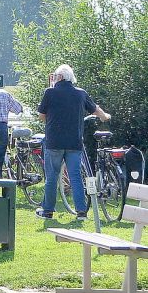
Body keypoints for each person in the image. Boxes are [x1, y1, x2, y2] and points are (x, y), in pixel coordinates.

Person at [35, 64, 111, 220]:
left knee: (52, 177)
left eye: (55, 76)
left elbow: (41, 116)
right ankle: (81, 212)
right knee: (75, 176)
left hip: (54, 142)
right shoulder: (80, 93)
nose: (54, 78)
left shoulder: (50, 92)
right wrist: (105, 116)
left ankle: (48, 210)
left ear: (60, 77)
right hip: (74, 142)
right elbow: (95, 109)